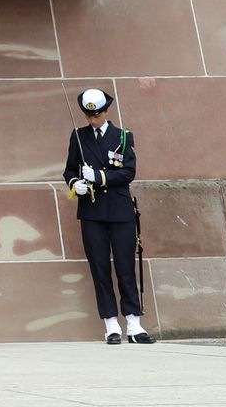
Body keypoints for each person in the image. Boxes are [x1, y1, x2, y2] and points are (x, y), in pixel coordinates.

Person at [64, 87, 154, 345]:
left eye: (96, 115)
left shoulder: (123, 137)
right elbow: (69, 169)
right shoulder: (78, 137)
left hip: (119, 210)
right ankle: (111, 324)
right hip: (92, 211)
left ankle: (134, 323)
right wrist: (75, 184)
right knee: (100, 268)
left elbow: (128, 173)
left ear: (106, 112)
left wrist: (100, 177)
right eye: (88, 116)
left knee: (125, 267)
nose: (92, 120)